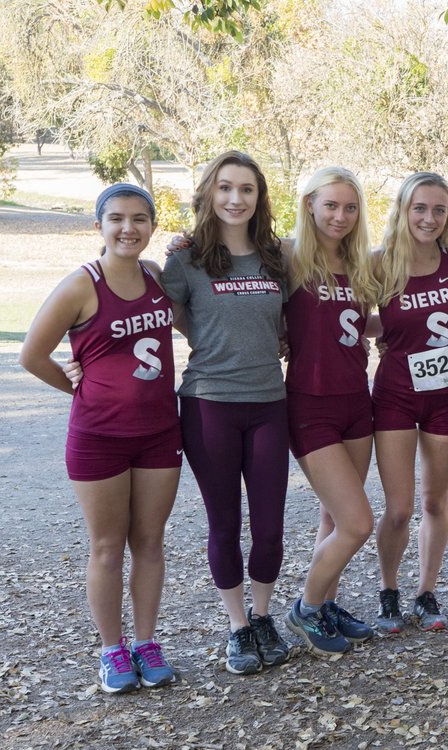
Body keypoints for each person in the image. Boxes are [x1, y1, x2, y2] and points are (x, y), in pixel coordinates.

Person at [20, 184, 181, 693]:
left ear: (152, 226)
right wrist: (74, 385)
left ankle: (147, 643)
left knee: (150, 543)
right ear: (99, 227)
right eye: (116, 219)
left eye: (139, 219)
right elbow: (31, 354)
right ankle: (112, 650)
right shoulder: (81, 285)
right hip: (99, 437)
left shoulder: (156, 276)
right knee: (108, 546)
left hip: (159, 433)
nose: (128, 228)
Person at [163, 151, 292, 675]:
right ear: (209, 194)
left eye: (246, 190)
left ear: (259, 198)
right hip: (208, 403)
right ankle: (238, 627)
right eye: (225, 188)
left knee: (270, 525)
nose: (236, 199)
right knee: (225, 523)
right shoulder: (185, 260)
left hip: (269, 403)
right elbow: (157, 312)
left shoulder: (277, 258)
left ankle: (263, 616)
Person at [279, 167, 381, 657]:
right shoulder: (287, 254)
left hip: (356, 402)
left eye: (350, 207)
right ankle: (305, 606)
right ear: (309, 205)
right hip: (309, 403)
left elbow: (372, 323)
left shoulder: (361, 262)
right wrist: (185, 243)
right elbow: (224, 259)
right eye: (331, 205)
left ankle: (325, 606)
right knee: (359, 523)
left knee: (335, 517)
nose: (340, 216)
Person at [369, 172, 448, 633]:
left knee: (435, 500)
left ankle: (426, 592)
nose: (429, 218)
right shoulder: (380, 262)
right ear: (404, 210)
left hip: (446, 393)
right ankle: (389, 590)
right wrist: (381, 336)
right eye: (420, 209)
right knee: (399, 507)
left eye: (439, 210)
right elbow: (349, 313)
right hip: (395, 395)